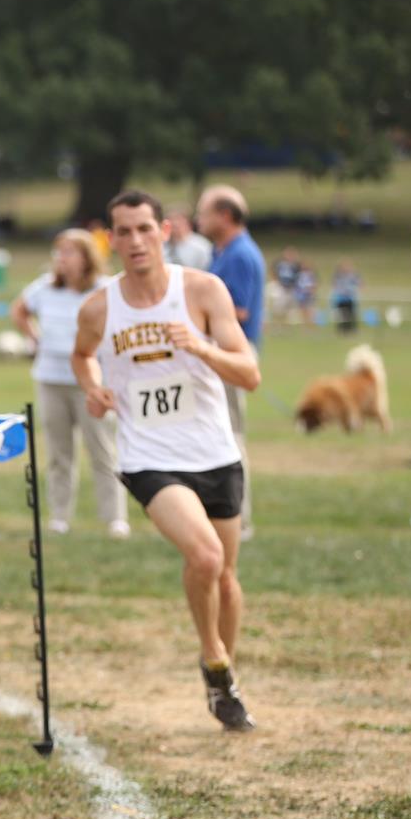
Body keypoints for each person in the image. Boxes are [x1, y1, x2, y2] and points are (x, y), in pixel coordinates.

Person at [72, 190, 260, 732]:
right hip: (148, 454)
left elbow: (249, 373)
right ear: (111, 237)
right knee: (203, 557)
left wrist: (201, 348)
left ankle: (224, 678)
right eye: (122, 232)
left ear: (165, 232)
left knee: (225, 577)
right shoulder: (100, 307)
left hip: (216, 452)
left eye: (143, 229)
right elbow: (82, 355)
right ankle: (213, 657)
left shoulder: (202, 290)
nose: (133, 241)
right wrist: (94, 387)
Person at [11, 228, 129, 538]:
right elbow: (19, 310)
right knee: (59, 453)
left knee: (102, 449)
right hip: (51, 378)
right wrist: (33, 336)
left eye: (69, 252)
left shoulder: (105, 288)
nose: (61, 258)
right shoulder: (45, 289)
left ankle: (115, 517)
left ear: (86, 257)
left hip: (91, 381)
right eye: (58, 252)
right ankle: (60, 516)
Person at [197, 184, 264, 539]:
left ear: (225, 216)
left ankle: (239, 519)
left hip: (230, 356)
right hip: (217, 355)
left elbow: (237, 311)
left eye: (204, 212)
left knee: (231, 438)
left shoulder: (239, 254)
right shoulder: (222, 251)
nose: (198, 219)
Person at [331, 260, 361, 334]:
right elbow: (334, 285)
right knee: (341, 315)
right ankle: (342, 329)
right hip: (340, 298)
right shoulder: (337, 275)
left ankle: (351, 329)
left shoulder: (353, 275)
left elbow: (360, 283)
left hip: (350, 298)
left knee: (351, 314)